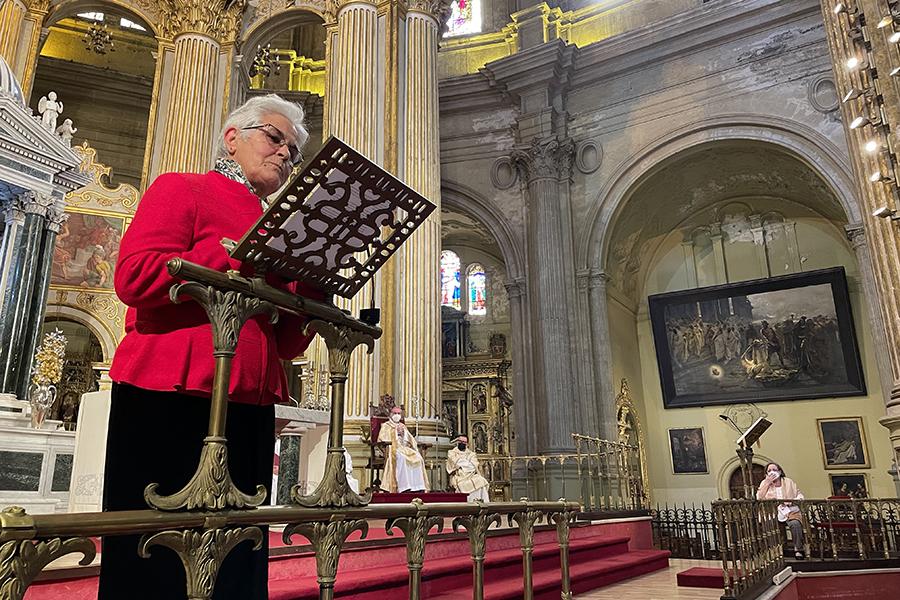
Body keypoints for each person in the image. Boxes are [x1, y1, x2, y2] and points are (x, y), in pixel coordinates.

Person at [100, 94, 316, 600]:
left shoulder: (282, 230)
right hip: (171, 392)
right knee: (153, 555)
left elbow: (285, 344)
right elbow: (134, 279)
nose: (286, 153)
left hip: (250, 405)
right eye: (275, 137)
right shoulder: (184, 188)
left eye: (294, 149)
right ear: (232, 137)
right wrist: (223, 255)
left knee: (236, 557)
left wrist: (311, 284)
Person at [757, 462, 806, 559]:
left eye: (774, 470)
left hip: (790, 510)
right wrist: (767, 483)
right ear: (766, 474)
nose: (772, 472)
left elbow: (800, 495)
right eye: (769, 471)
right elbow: (759, 497)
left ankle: (798, 550)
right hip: (771, 512)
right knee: (770, 525)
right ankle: (776, 551)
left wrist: (792, 501)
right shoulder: (764, 483)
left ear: (780, 471)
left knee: (795, 524)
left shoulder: (788, 482)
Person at [377, 406, 429, 493]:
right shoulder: (386, 425)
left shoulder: (403, 426)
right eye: (395, 413)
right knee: (402, 458)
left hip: (404, 448)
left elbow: (410, 440)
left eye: (399, 413)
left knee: (418, 457)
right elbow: (382, 439)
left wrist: (403, 434)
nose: (397, 415)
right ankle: (404, 486)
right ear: (390, 414)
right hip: (392, 449)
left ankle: (417, 486)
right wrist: (396, 433)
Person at [446, 436, 490, 502]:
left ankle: (483, 504)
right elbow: (456, 462)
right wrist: (465, 464)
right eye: (460, 441)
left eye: (464, 442)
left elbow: (473, 465)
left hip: (471, 475)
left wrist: (462, 465)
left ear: (467, 444)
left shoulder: (471, 454)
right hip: (459, 476)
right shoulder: (452, 452)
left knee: (481, 481)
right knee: (462, 485)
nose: (462, 443)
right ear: (457, 442)